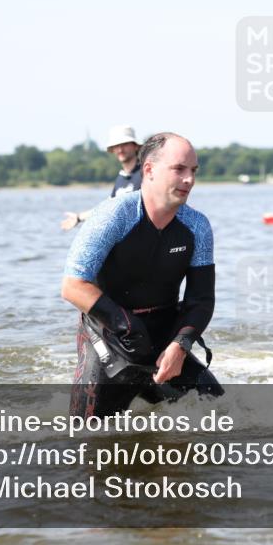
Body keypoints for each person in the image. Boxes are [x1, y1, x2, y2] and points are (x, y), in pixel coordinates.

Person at [61, 133, 222, 418]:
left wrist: (180, 346)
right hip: (110, 336)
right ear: (148, 170)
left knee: (223, 416)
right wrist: (127, 326)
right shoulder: (114, 216)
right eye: (179, 169)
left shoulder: (197, 226)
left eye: (193, 171)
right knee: (86, 437)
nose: (189, 180)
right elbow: (73, 286)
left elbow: (201, 299)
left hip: (164, 339)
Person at [60, 125, 143, 231]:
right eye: (117, 145)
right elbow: (107, 208)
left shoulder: (145, 173)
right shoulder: (120, 179)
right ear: (113, 149)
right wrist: (79, 217)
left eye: (125, 144)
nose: (120, 149)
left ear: (135, 146)